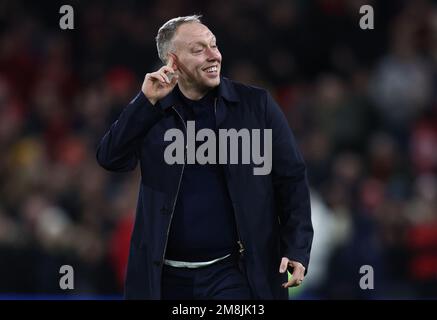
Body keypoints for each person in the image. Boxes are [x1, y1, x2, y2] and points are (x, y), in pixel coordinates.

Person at [96, 15, 313, 300]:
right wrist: (144, 102)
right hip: (165, 279)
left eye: (214, 45)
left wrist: (296, 247)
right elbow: (111, 157)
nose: (213, 55)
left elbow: (292, 178)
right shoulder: (153, 111)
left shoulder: (255, 105)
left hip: (235, 274)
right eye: (198, 50)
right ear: (173, 61)